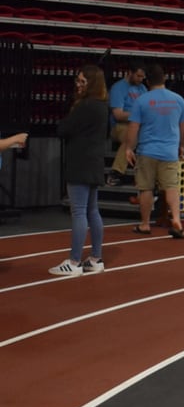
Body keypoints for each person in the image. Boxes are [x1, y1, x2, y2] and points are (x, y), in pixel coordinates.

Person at [49, 65, 108, 276]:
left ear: (91, 84)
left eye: (83, 82)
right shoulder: (102, 105)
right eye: (78, 80)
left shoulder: (85, 106)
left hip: (80, 163)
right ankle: (95, 258)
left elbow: (63, 129)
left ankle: (74, 261)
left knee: (79, 211)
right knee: (92, 210)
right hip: (94, 162)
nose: (78, 85)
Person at [125, 64, 184, 238]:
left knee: (145, 188)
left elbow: (133, 127)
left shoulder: (141, 100)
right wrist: (181, 145)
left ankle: (145, 224)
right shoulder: (178, 99)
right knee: (171, 187)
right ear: (165, 78)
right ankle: (177, 219)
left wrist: (129, 148)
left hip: (147, 151)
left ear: (147, 81)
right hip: (169, 152)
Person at [106, 63, 147, 186]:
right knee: (133, 136)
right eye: (138, 76)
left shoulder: (143, 88)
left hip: (138, 125)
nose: (141, 79)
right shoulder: (118, 88)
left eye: (142, 77)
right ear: (130, 73)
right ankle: (116, 172)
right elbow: (118, 115)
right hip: (119, 126)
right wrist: (136, 116)